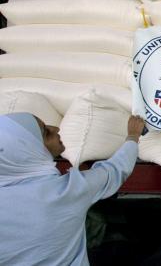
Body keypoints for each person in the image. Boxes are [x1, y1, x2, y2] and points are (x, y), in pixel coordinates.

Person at [0, 112, 144, 266]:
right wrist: (133, 136)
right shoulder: (65, 191)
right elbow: (114, 171)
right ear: (28, 150)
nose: (56, 128)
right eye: (46, 133)